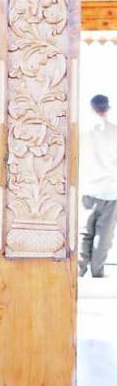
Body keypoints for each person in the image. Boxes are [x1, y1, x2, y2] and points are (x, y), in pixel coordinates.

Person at [80, 94, 117, 277]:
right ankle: (97, 271)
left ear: (91, 108)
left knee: (85, 232)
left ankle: (79, 270)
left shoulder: (84, 131)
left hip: (87, 188)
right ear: (107, 108)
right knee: (104, 235)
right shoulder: (115, 131)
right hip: (111, 190)